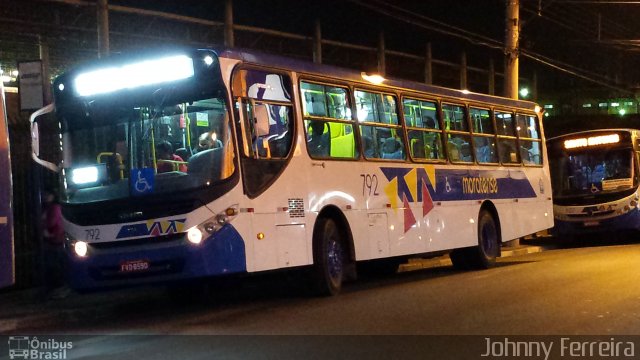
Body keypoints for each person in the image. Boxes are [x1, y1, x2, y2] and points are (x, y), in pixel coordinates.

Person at [41, 188, 69, 299]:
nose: (45, 197)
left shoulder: (54, 208)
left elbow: (51, 223)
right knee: (53, 264)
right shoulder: (49, 207)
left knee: (55, 265)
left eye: (48, 194)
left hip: (55, 239)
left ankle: (59, 287)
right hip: (53, 239)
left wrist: (43, 223)